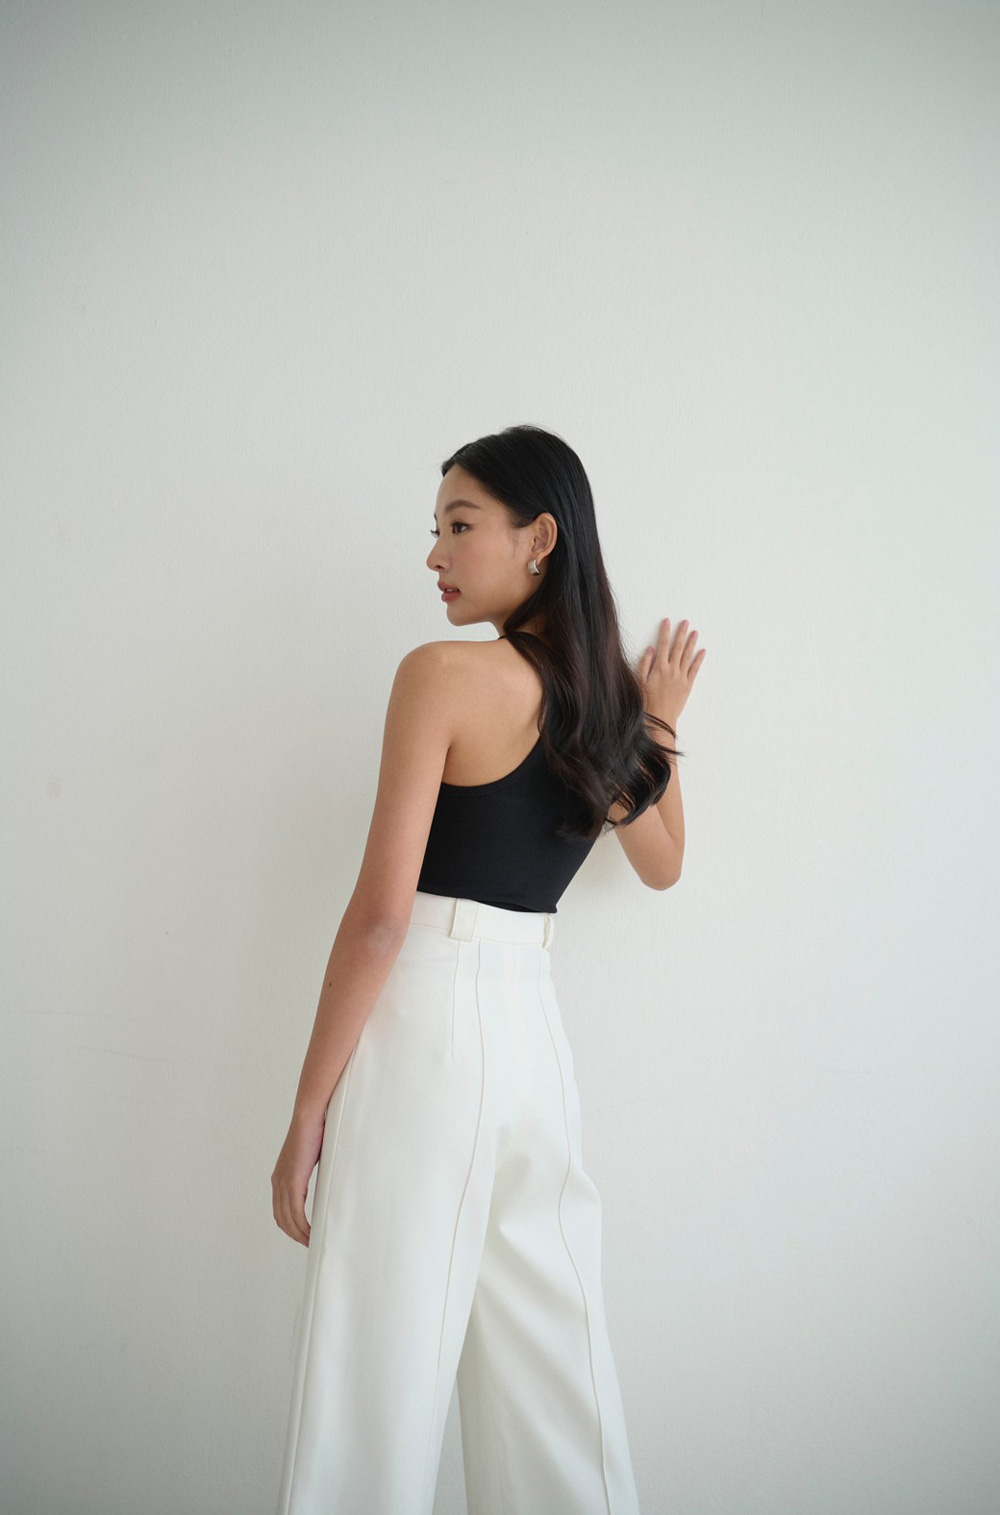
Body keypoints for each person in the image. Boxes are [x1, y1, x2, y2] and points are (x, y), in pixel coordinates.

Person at [271, 423, 706, 1515]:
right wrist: (655, 718)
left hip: (424, 1029)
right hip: (532, 1042)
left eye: (459, 526)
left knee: (375, 1368)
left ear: (539, 538)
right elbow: (664, 865)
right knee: (553, 1375)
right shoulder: (604, 709)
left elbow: (382, 919)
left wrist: (309, 1108)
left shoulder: (441, 677)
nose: (435, 555)